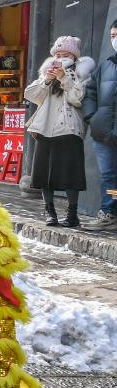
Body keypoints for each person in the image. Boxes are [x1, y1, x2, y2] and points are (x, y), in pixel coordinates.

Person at [24, 36, 94, 227]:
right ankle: (50, 211)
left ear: (74, 56)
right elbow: (30, 95)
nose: (61, 58)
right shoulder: (46, 73)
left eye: (66, 54)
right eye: (58, 54)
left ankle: (72, 214)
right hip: (46, 127)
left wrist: (64, 78)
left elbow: (77, 98)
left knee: (71, 173)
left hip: (69, 129)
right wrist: (47, 79)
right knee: (45, 173)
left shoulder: (81, 73)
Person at [82, 20, 117, 231]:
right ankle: (109, 212)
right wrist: (92, 117)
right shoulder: (106, 65)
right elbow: (90, 92)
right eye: (112, 35)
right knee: (110, 177)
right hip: (104, 133)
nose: (115, 39)